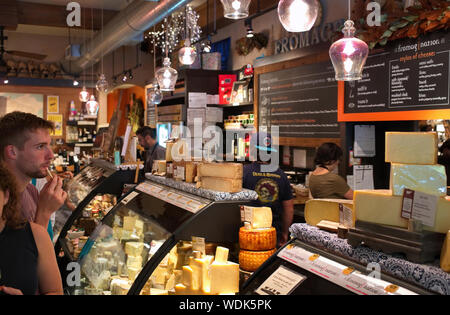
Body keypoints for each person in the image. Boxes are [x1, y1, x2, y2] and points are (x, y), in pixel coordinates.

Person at [0, 163, 63, 295]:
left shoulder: (35, 235)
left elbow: (55, 292)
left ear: (6, 196)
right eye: (39, 146)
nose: (49, 155)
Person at [0, 111, 67, 230]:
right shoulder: (3, 199)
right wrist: (44, 212)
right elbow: (19, 248)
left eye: (49, 145)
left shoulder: (31, 190)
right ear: (12, 152)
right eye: (40, 147)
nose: (51, 155)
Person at [243, 132, 294, 248]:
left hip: (246, 232)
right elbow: (289, 209)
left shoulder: (243, 172)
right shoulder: (281, 175)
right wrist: (285, 233)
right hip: (272, 233)